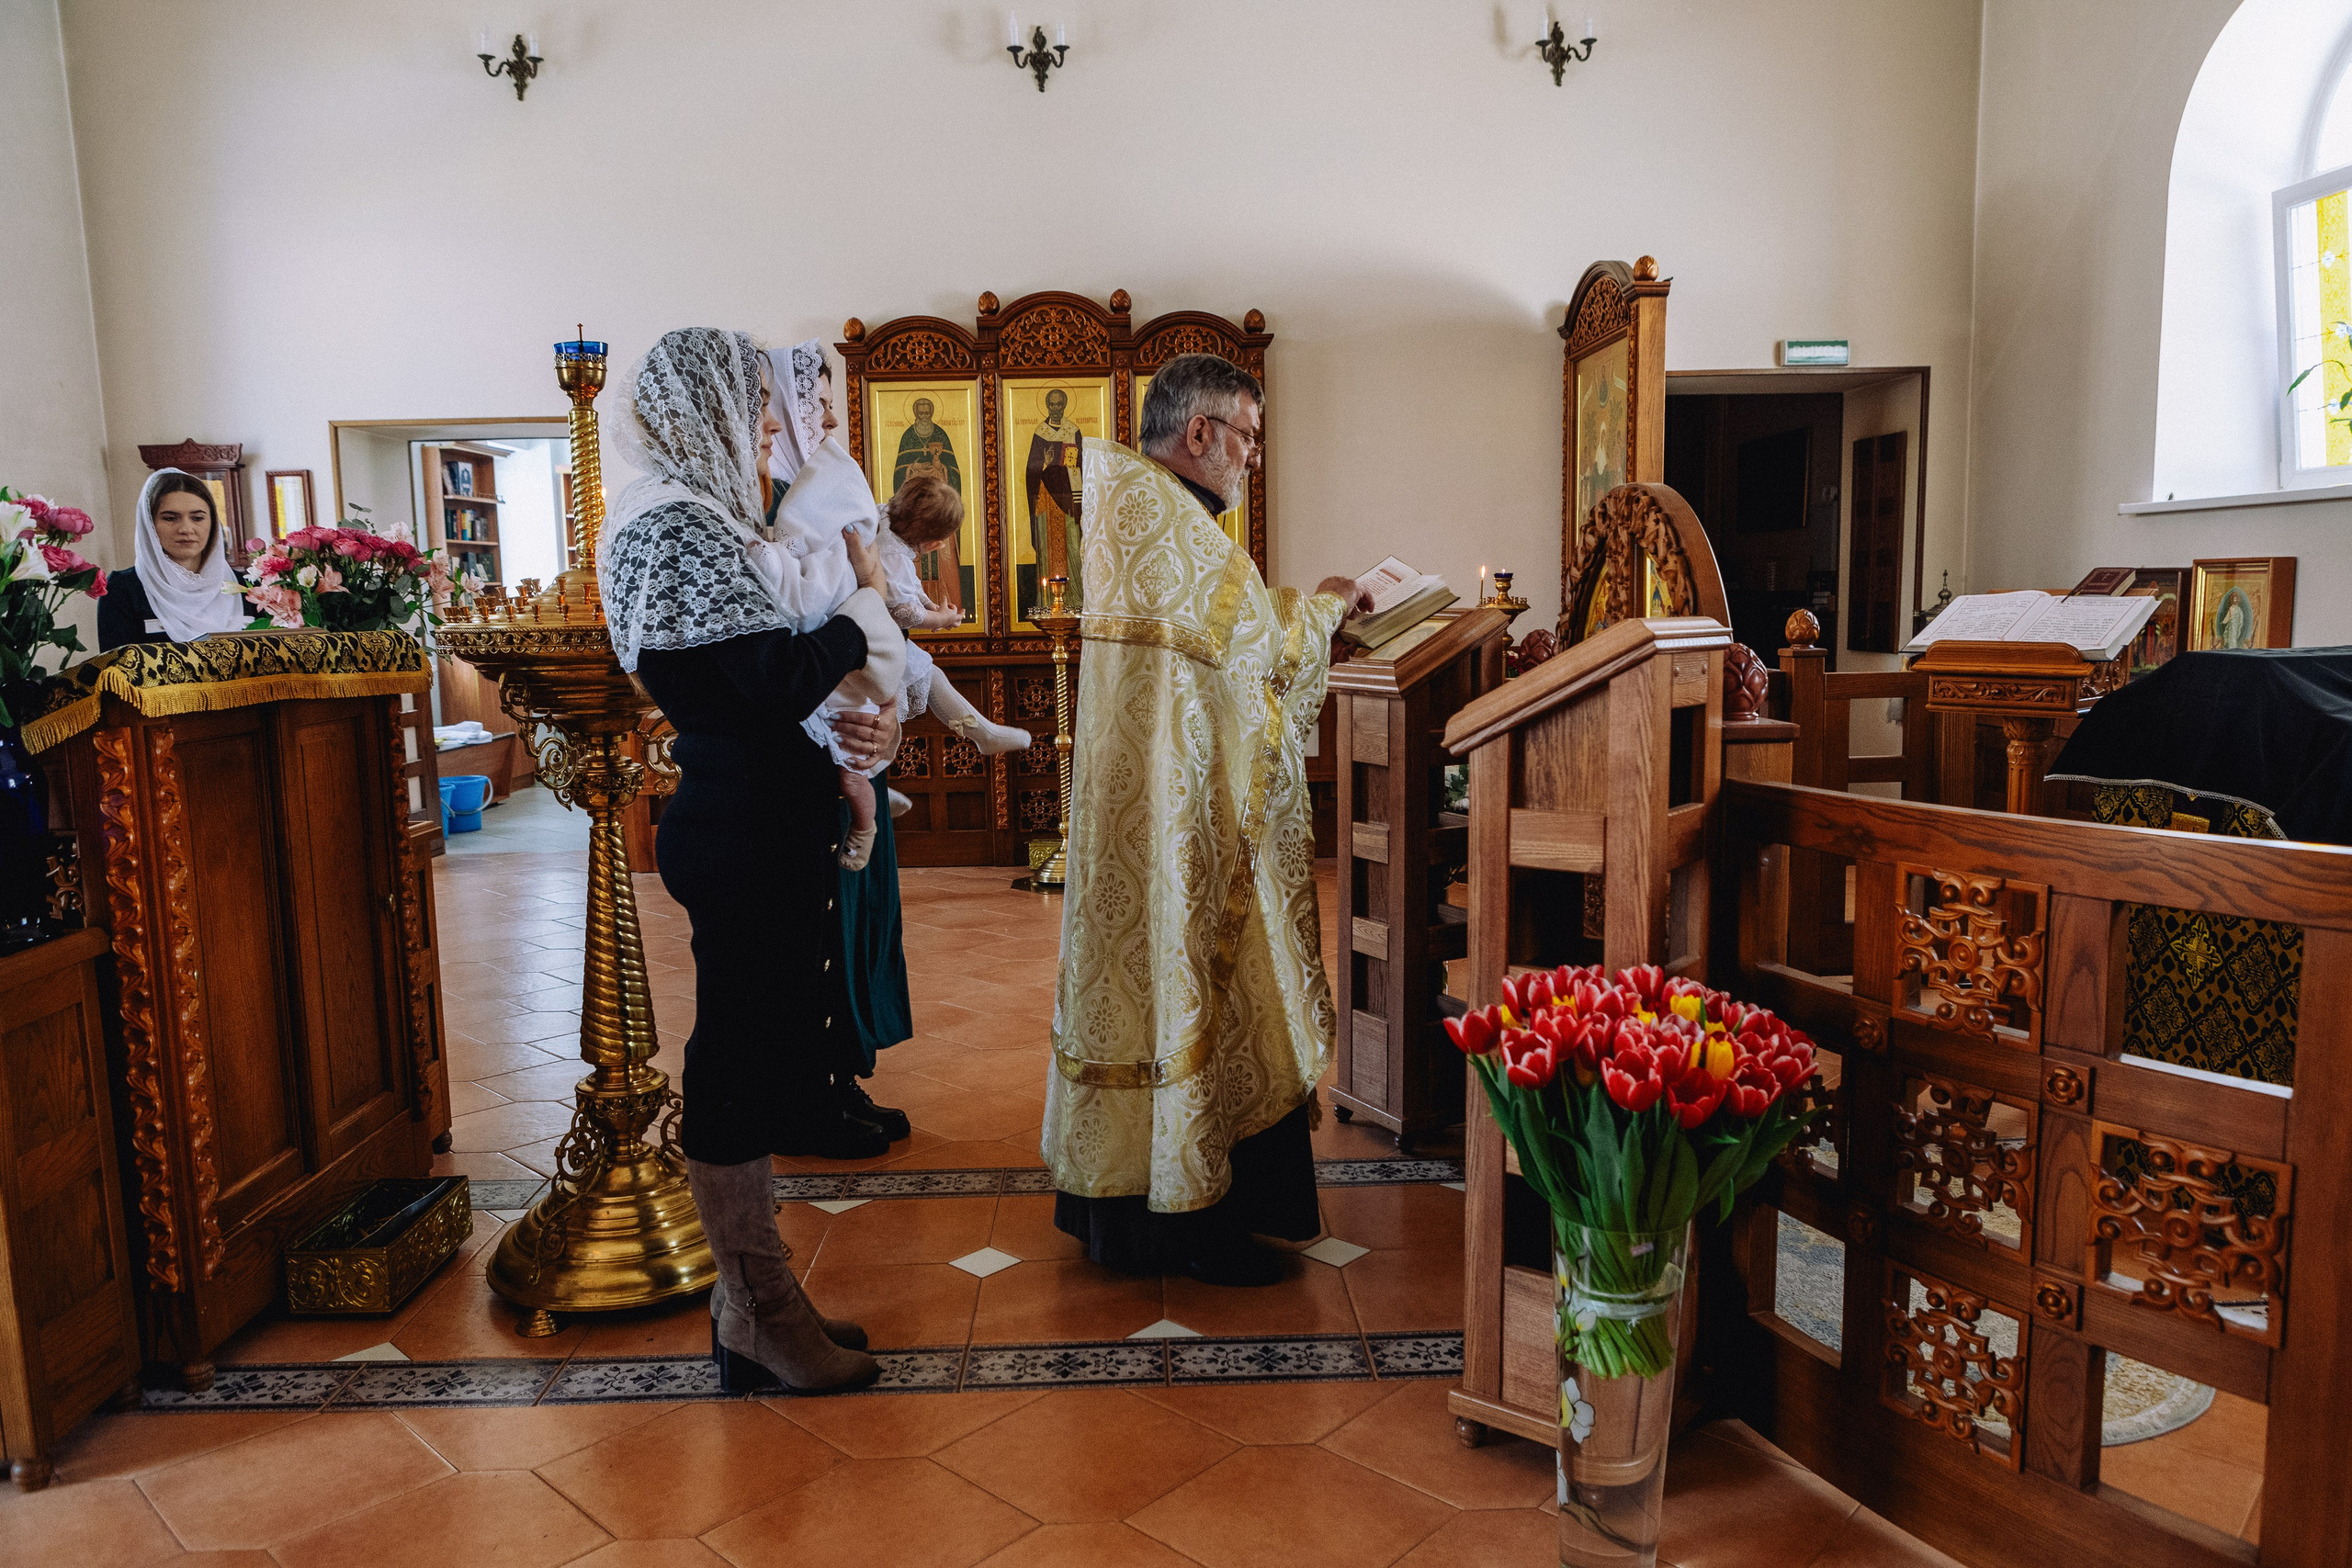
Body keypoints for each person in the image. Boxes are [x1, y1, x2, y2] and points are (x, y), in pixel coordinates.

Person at [600, 326, 901, 1392]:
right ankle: (759, 1313)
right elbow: (766, 680)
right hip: (736, 828)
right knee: (735, 1061)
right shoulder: (670, 526)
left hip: (763, 819)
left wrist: (863, 723)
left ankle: (756, 1301)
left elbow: (776, 684)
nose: (772, 430)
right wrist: (863, 615)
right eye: (758, 414)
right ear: (704, 412)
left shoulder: (702, 519)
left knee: (765, 1051)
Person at [1044, 354, 1373, 1286]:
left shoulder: (1143, 512)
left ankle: (1134, 1208)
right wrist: (1330, 607)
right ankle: (1188, 1222)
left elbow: (1224, 648)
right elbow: (1252, 642)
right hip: (1175, 827)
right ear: (1200, 434)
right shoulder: (1160, 518)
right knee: (1196, 987)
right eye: (1249, 438)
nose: (1253, 460)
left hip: (1164, 810)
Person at [97, 469, 249, 650]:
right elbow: (117, 671)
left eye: (198, 518)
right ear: (149, 524)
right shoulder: (123, 589)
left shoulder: (244, 587)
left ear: (213, 522)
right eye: (170, 518)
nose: (186, 528)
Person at [1024, 388, 1084, 613]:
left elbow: (1082, 463)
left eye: (1060, 405)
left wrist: (1072, 463)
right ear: (1048, 406)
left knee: (1073, 546)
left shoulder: (1073, 430)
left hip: (1069, 499)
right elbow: (1031, 472)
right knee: (1048, 548)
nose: (1056, 409)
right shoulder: (1041, 433)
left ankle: (1076, 599)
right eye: (1052, 405)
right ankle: (1048, 603)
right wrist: (1046, 464)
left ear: (1065, 406)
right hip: (1047, 502)